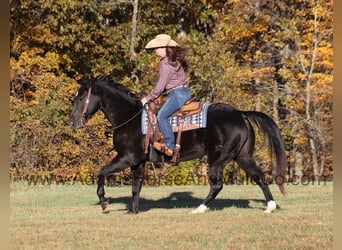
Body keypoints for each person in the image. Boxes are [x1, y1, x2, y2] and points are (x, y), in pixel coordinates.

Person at [141, 34, 191, 156]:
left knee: (161, 116)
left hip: (177, 94)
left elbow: (161, 85)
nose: (155, 51)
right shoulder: (174, 61)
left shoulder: (166, 63)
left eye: (157, 48)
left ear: (165, 48)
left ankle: (170, 146)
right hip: (183, 92)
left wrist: (147, 98)